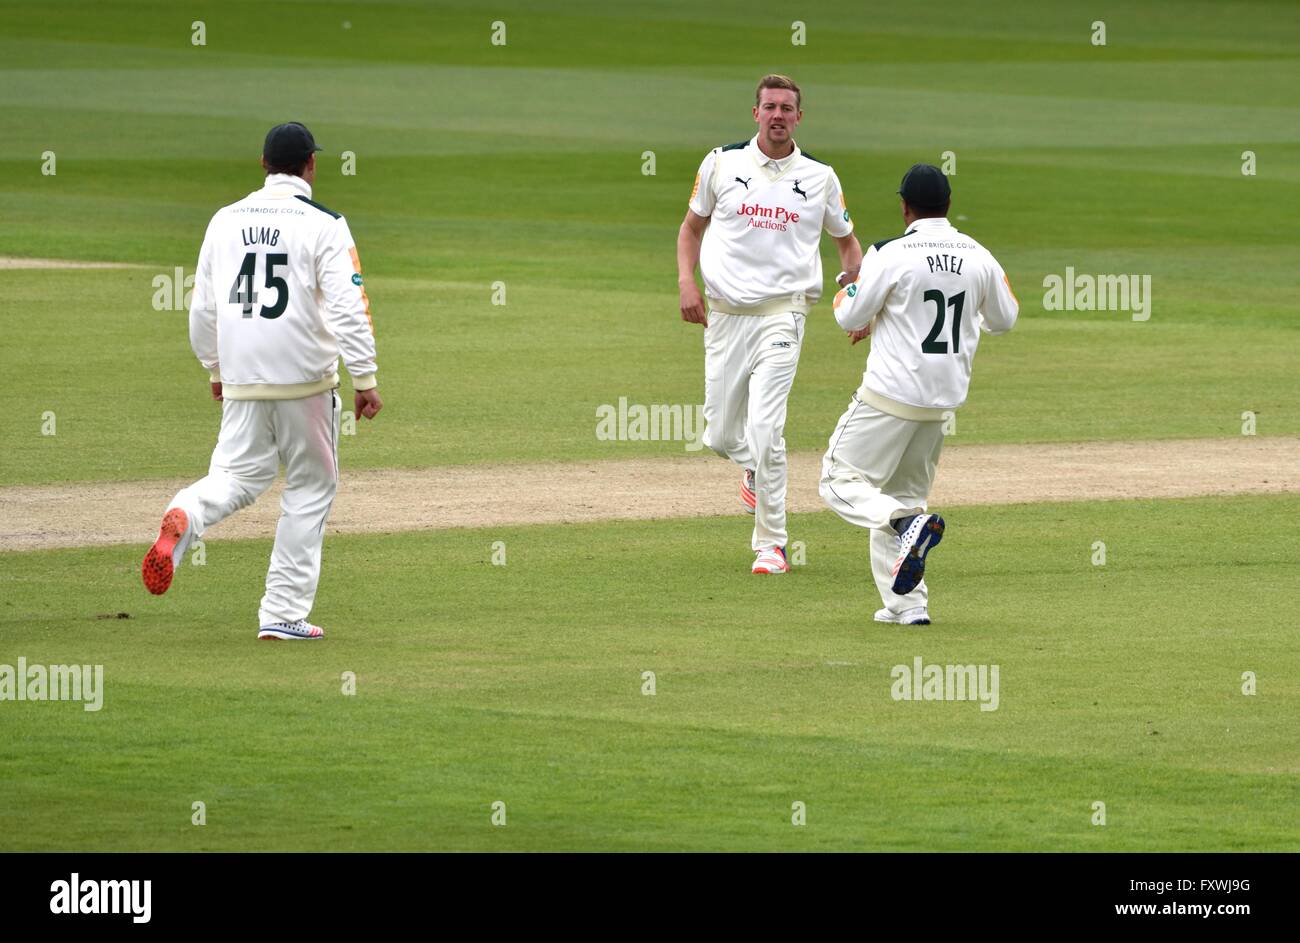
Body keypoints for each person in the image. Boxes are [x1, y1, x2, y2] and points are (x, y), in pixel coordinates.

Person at [141, 121, 382, 641]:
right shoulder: (326, 223)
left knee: (237, 478)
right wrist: (364, 377)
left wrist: (215, 369)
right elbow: (348, 306)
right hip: (307, 385)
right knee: (312, 486)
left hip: (244, 379)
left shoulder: (224, 220)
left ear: (263, 164)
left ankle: (185, 510)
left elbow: (202, 308)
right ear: (311, 166)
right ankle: (281, 613)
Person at [678, 74, 862, 575]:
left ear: (799, 117)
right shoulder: (721, 162)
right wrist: (685, 283)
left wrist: (855, 297)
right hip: (725, 315)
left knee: (767, 428)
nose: (777, 115)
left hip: (784, 313)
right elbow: (691, 228)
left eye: (786, 108)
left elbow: (847, 245)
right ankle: (754, 467)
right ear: (755, 113)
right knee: (719, 436)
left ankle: (771, 545)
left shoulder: (820, 176)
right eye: (769, 107)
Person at [820, 163, 1018, 624]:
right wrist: (973, 319)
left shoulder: (890, 251)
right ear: (948, 205)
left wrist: (848, 290)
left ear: (905, 207)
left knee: (837, 481)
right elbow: (1005, 319)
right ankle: (908, 607)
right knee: (904, 496)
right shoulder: (979, 254)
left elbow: (850, 317)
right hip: (940, 403)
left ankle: (908, 527)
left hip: (889, 397)